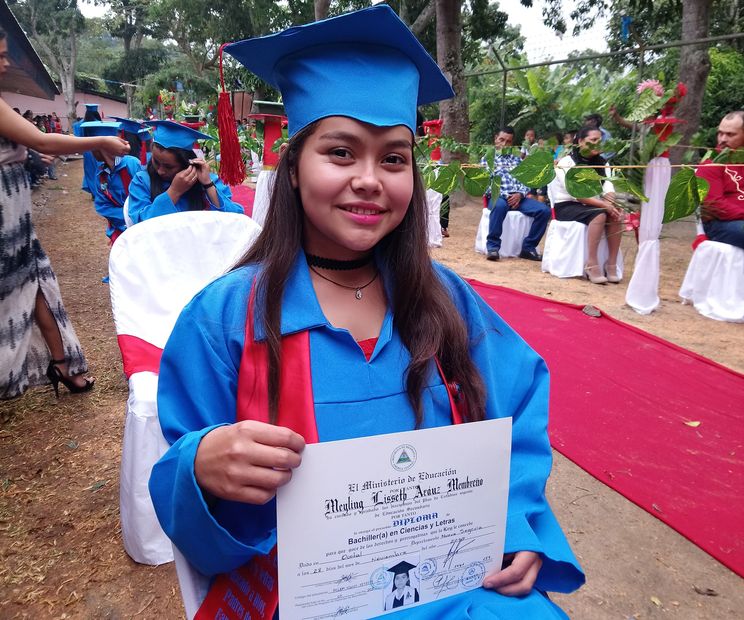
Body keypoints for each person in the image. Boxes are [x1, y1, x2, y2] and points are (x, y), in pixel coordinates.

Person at [148, 6, 583, 619]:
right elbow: (178, 476)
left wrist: (514, 524)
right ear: (294, 170)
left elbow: (513, 422)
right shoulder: (227, 317)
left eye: (394, 158)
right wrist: (202, 465)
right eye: (342, 152)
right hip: (307, 596)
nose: (370, 179)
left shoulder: (446, 300)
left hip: (456, 586)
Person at [0, 27, 130, 399]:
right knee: (24, 284)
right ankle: (60, 365)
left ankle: (63, 363)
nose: (6, 62)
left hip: (16, 214)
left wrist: (24, 158)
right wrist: (100, 140)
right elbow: (40, 138)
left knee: (37, 283)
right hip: (6, 216)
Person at [126, 120, 244, 223]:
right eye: (156, 162)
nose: (161, 171)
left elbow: (234, 218)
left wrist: (208, 185)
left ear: (187, 164)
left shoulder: (208, 180)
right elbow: (141, 224)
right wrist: (174, 192)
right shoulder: (142, 181)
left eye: (169, 167)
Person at [553, 126, 624, 284]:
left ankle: (611, 264)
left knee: (615, 214)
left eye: (599, 141)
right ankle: (591, 264)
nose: (597, 144)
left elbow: (608, 188)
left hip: (593, 204)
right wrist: (605, 206)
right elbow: (577, 194)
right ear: (580, 142)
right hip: (567, 205)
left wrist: (610, 204)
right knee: (599, 214)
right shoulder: (567, 162)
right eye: (592, 140)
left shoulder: (602, 163)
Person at [485, 127, 550, 262]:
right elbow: (485, 184)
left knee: (544, 211)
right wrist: (506, 195)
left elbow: (525, 181)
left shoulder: (517, 160)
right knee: (500, 206)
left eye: (508, 141)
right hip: (499, 196)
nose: (504, 144)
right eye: (501, 140)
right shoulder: (487, 159)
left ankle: (528, 247)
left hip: (519, 198)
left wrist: (520, 194)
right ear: (495, 139)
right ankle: (493, 247)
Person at [81, 120, 143, 243]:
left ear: (104, 149)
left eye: (94, 149)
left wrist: (134, 219)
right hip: (119, 229)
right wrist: (124, 220)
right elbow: (102, 205)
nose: (92, 154)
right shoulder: (100, 173)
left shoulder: (132, 164)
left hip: (140, 224)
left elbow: (144, 195)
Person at [695, 111, 744, 250]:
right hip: (720, 224)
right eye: (720, 133)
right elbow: (715, 206)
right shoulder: (710, 164)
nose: (722, 139)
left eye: (730, 134)